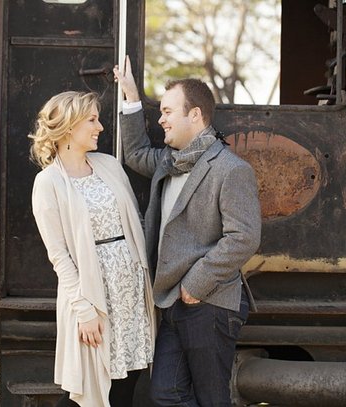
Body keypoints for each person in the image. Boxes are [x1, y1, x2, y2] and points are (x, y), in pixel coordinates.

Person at [113, 57, 261, 406]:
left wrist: (195, 285)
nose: (160, 119)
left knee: (211, 399)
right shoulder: (170, 160)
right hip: (171, 302)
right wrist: (132, 97)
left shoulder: (230, 170)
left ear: (194, 115)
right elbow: (134, 154)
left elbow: (244, 237)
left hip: (209, 302)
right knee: (165, 394)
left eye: (167, 111)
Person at [29, 91, 156, 407]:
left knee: (127, 383)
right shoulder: (48, 183)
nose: (99, 126)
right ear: (70, 126)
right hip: (93, 294)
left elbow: (135, 221)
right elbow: (59, 255)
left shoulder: (109, 165)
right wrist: (84, 311)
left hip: (130, 288)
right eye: (92, 120)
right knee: (88, 390)